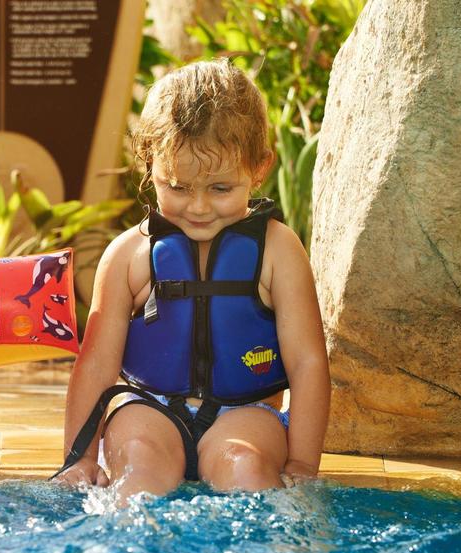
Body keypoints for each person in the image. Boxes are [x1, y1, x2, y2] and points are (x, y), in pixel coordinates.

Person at [55, 59, 330, 503]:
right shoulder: (129, 255)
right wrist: (79, 459)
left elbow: (308, 364)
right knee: (138, 472)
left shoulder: (278, 252)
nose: (199, 207)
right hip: (147, 408)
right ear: (150, 165)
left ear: (259, 168)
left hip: (246, 412)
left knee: (246, 469)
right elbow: (97, 366)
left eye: (221, 188)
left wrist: (302, 465)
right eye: (178, 187)